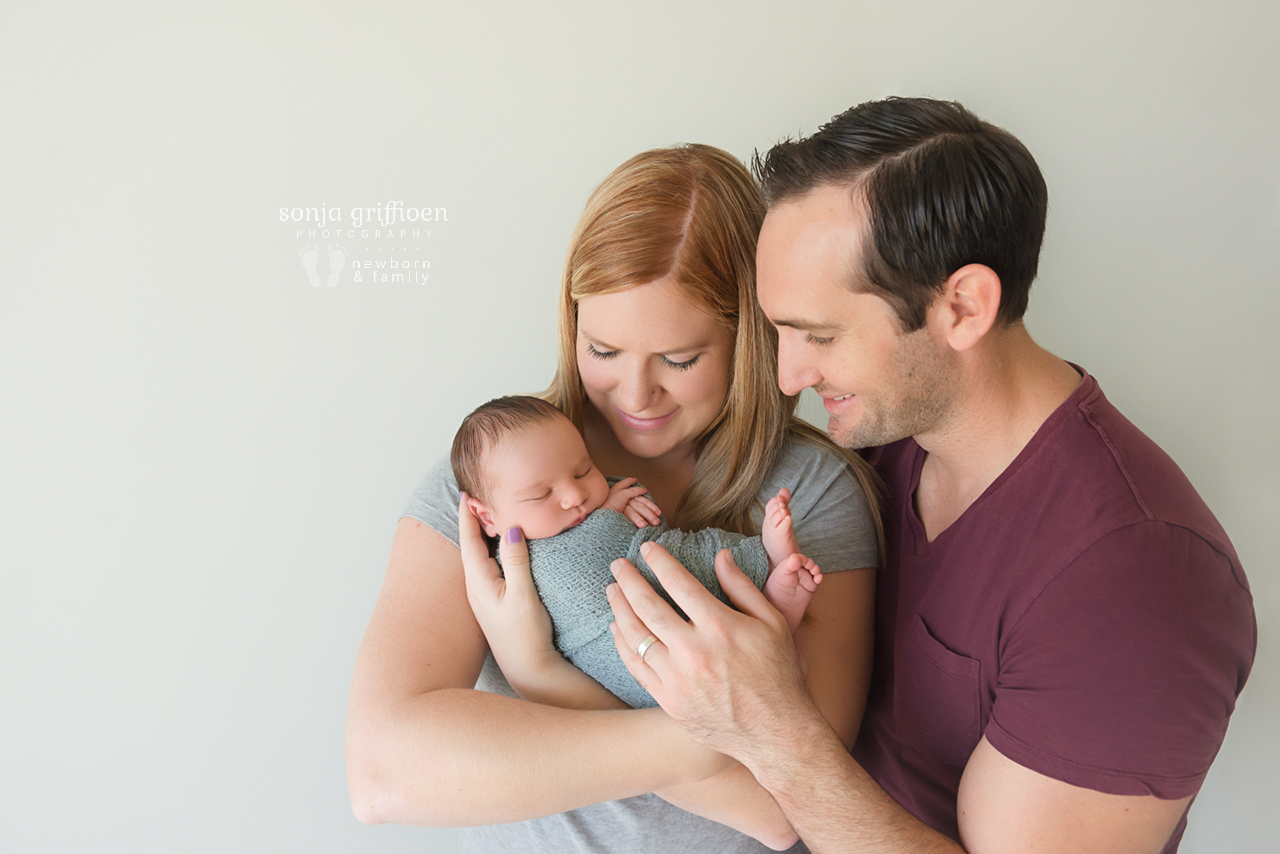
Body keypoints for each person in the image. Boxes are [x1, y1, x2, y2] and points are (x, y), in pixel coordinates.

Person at [605, 97, 1257, 854]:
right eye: (778, 331)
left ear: (964, 306)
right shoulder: (886, 445)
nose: (787, 378)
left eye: (819, 335)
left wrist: (773, 731)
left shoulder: (1137, 579)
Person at [345, 144, 881, 852]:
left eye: (679, 361)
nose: (634, 397)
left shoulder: (808, 496)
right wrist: (713, 736)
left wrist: (542, 673)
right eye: (602, 351)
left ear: (747, 337)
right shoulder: (496, 480)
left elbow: (787, 810)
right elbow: (385, 773)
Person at [450, 394, 824, 708]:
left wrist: (615, 509)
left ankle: (771, 608)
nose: (575, 496)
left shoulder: (600, 501)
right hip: (627, 668)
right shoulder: (519, 561)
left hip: (688, 642)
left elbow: (649, 524)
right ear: (486, 517)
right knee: (667, 562)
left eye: (583, 471)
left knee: (674, 556)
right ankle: (762, 566)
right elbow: (571, 570)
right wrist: (610, 519)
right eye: (541, 494)